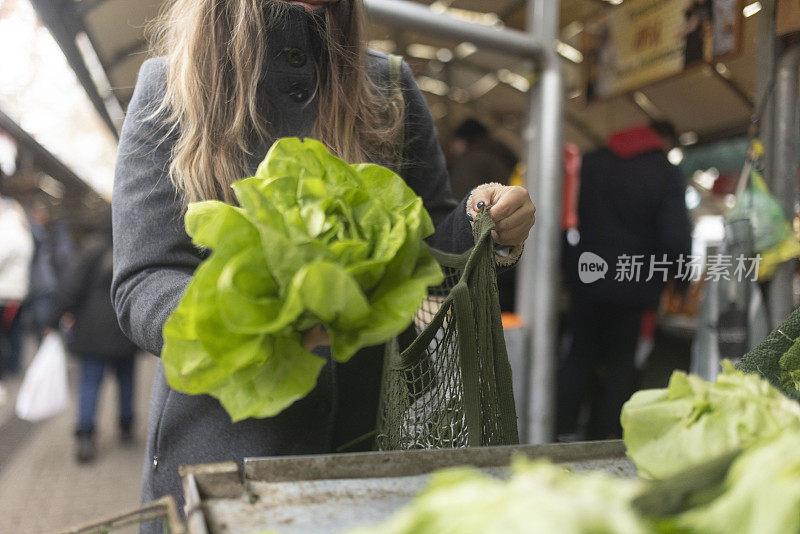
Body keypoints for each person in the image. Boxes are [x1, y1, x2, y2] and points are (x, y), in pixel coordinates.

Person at [110, 0, 535, 526]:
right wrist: (264, 326)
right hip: (222, 454)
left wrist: (482, 222)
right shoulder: (169, 86)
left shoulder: (390, 86)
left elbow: (429, 249)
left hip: (365, 446)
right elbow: (142, 281)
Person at [558, 121, 692, 441]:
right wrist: (681, 282)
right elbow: (675, 237)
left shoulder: (591, 162)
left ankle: (559, 430)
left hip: (587, 279)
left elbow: (565, 217)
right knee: (621, 365)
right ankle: (604, 438)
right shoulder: (663, 170)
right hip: (635, 285)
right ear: (665, 139)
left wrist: (568, 267)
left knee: (579, 355)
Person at [47, 211, 139, 463]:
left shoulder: (90, 250)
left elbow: (71, 289)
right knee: (126, 380)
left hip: (92, 332)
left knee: (89, 383)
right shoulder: (131, 247)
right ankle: (126, 428)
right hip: (124, 329)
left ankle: (86, 436)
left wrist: (52, 320)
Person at [445, 118, 520, 311]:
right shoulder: (504, 156)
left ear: (462, 140)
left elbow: (457, 205)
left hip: (480, 252)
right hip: (509, 246)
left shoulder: (471, 160)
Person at [0, 173, 34, 401]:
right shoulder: (23, 229)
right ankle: (13, 369)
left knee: (4, 336)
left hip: (5, 292)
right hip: (17, 292)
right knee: (13, 335)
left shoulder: (8, 227)